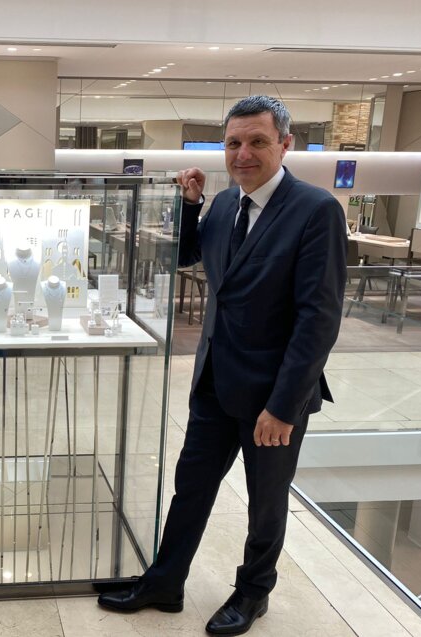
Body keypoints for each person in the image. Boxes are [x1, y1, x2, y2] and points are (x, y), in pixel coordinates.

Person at [98, 96, 347, 635]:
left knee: (264, 505)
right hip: (214, 380)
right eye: (233, 142)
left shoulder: (315, 210)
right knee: (191, 487)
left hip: (273, 396)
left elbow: (318, 320)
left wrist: (283, 407)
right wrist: (190, 204)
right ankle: (165, 581)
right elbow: (189, 257)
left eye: (258, 141)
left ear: (285, 144)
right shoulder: (225, 204)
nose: (243, 153)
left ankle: (253, 591)